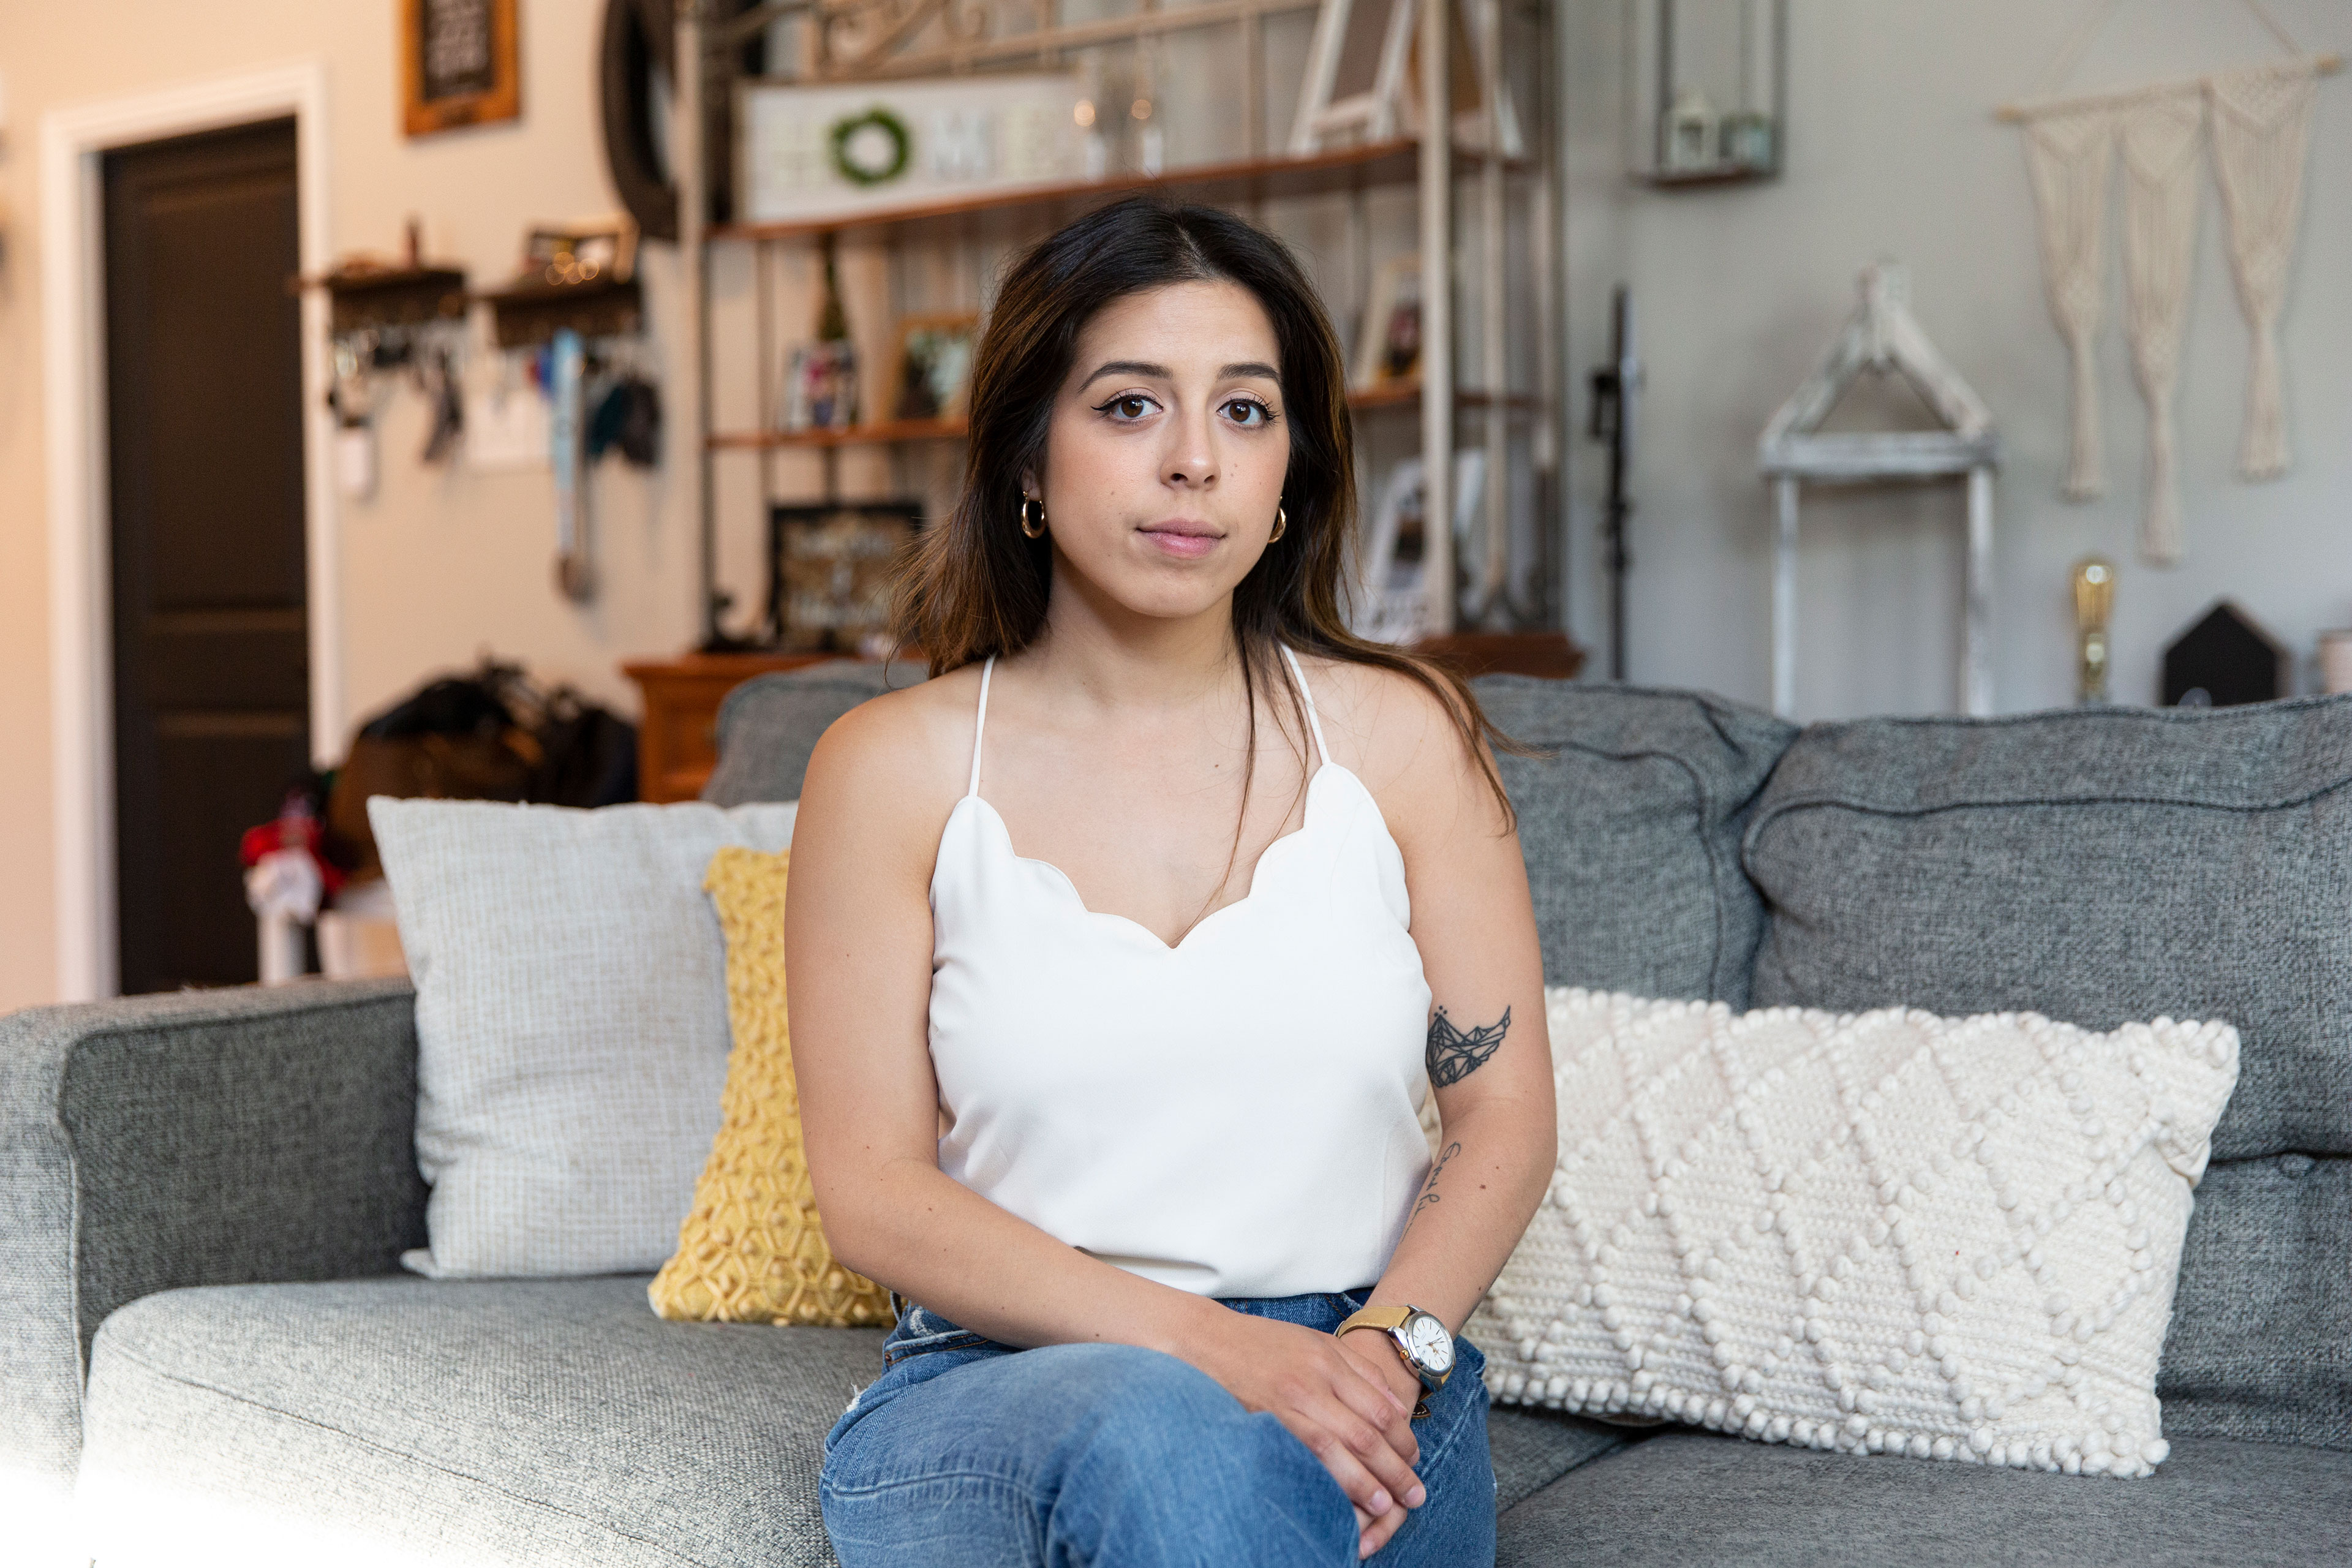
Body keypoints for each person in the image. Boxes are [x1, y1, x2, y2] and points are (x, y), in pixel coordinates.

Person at [787, 196, 1556, 1566]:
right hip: (1005, 1383)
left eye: (1246, 412)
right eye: (1132, 406)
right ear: (1029, 455)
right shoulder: (890, 770)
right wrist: (1224, 1355)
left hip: (1373, 1373)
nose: (1195, 460)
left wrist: (1383, 1349)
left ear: (1291, 478)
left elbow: (1503, 1114)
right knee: (1157, 1428)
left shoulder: (1403, 737)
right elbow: (874, 1192)